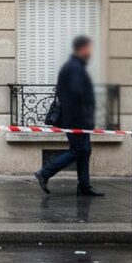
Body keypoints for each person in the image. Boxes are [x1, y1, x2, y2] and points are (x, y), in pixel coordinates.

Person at [34, 35, 104, 197]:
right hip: (76, 120)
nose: (91, 52)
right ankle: (44, 173)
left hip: (79, 119)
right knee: (78, 149)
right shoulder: (74, 68)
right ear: (83, 48)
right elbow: (76, 93)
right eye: (89, 48)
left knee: (85, 150)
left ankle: (84, 186)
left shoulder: (75, 66)